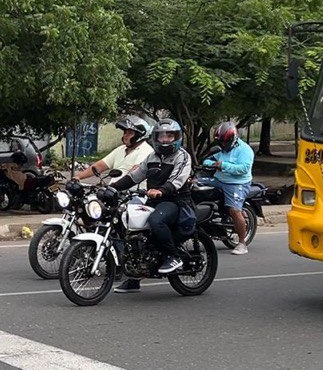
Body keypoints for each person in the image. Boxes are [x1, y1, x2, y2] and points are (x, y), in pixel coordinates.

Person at [111, 118, 194, 290]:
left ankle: (174, 256)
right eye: (161, 136)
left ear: (176, 138)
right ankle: (135, 276)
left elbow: (178, 180)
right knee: (130, 227)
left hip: (176, 201)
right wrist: (111, 188)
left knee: (156, 220)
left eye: (169, 136)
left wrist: (162, 190)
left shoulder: (182, 156)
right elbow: (135, 176)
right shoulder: (152, 157)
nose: (165, 140)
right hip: (154, 200)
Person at [203, 121, 255, 256]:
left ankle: (242, 243)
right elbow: (206, 161)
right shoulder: (221, 150)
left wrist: (224, 166)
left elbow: (244, 169)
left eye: (225, 142)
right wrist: (214, 164)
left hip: (237, 183)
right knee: (194, 185)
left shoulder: (245, 150)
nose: (223, 145)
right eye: (220, 142)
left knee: (234, 210)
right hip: (218, 180)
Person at [74, 115, 154, 181]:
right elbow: (100, 165)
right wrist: (78, 177)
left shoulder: (146, 151)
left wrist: (115, 186)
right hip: (115, 194)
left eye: (130, 133)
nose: (125, 136)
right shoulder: (121, 149)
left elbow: (134, 173)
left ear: (139, 135)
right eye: (125, 132)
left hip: (133, 196)